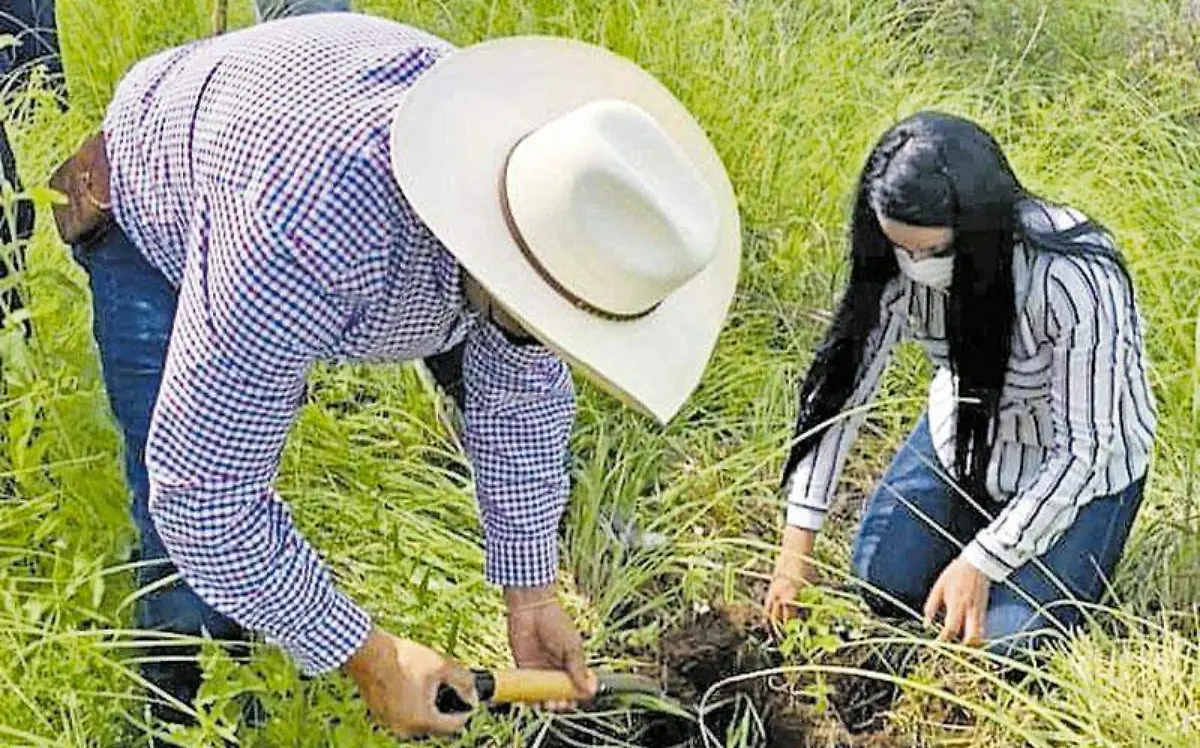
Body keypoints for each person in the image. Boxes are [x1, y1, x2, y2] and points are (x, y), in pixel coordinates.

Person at [67, 12, 739, 740]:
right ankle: (185, 712)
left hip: (285, 152)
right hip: (152, 191)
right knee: (184, 563)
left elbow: (520, 384)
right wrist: (372, 656)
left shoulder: (552, 195)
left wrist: (530, 593)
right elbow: (206, 499)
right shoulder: (311, 233)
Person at [764, 112, 1156, 657]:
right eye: (903, 249)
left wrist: (981, 560)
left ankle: (1046, 547)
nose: (914, 266)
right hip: (968, 439)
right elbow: (844, 393)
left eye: (932, 253)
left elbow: (1085, 451)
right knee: (884, 583)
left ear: (980, 227)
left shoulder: (1073, 279)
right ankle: (981, 527)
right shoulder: (899, 266)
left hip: (1078, 473)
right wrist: (795, 549)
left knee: (1003, 647)